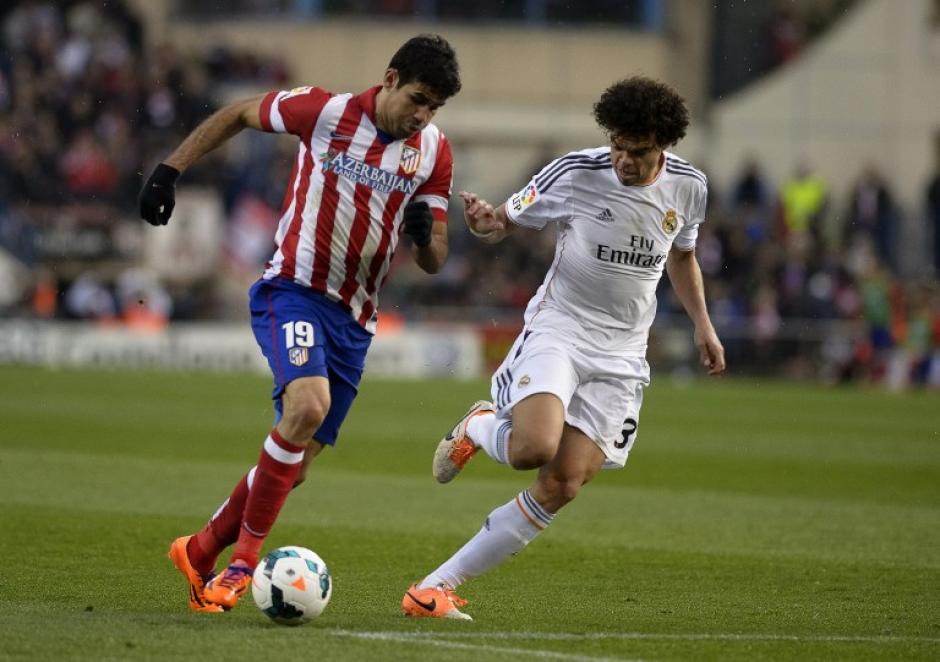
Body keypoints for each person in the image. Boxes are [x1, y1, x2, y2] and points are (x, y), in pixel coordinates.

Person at [138, 34, 461, 613]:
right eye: (417, 99)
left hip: (356, 320)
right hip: (292, 290)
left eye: (434, 107)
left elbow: (436, 257)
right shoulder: (326, 111)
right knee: (305, 407)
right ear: (389, 79)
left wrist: (423, 236)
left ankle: (201, 548)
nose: (422, 115)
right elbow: (239, 113)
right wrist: (169, 169)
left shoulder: (434, 151)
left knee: (299, 463)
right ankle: (241, 567)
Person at [401, 76, 726, 620]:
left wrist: (703, 326)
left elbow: (683, 256)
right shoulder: (579, 171)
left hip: (623, 353)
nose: (623, 160)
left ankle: (433, 589)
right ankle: (480, 426)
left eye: (637, 151)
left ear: (663, 145)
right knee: (532, 449)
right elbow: (502, 221)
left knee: (563, 483)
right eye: (618, 146)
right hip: (562, 328)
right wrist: (485, 222)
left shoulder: (690, 187)